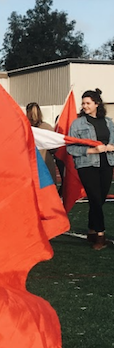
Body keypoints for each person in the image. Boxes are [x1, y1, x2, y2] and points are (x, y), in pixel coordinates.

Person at [67, 88, 114, 251]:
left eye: (88, 103)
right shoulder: (77, 123)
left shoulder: (108, 122)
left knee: (100, 199)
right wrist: (92, 150)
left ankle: (91, 229)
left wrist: (110, 147)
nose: (84, 106)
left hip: (106, 164)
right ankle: (100, 235)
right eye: (83, 103)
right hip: (87, 165)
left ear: (97, 104)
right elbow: (70, 148)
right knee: (94, 198)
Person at [26, 102, 58, 183]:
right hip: (45, 164)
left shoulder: (24, 128)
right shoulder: (46, 127)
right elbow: (54, 148)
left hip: (31, 165)